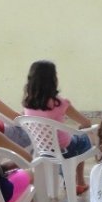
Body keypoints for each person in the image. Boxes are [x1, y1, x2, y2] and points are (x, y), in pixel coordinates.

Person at [21, 60, 94, 193]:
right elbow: (86, 122)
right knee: (82, 137)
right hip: (65, 149)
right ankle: (79, 182)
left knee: (74, 139)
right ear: (53, 79)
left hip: (41, 149)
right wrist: (82, 128)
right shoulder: (59, 102)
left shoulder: (27, 103)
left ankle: (68, 178)